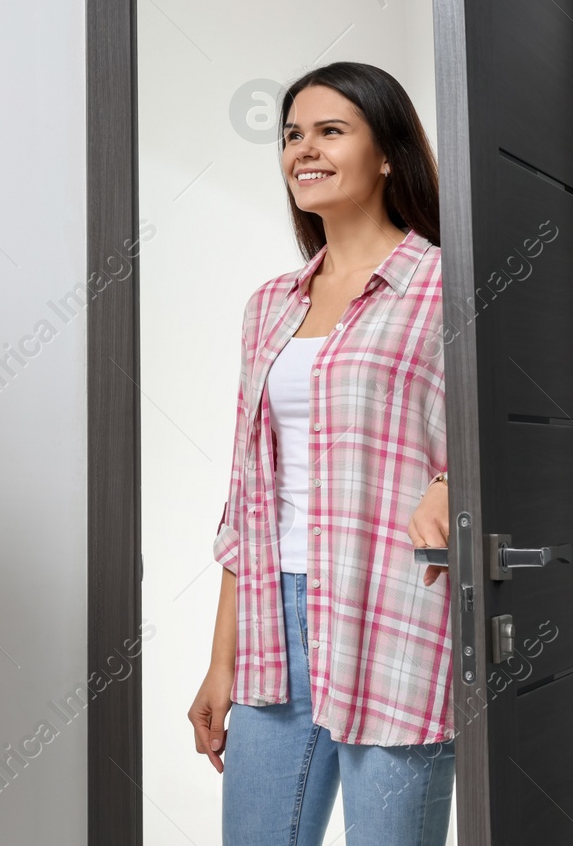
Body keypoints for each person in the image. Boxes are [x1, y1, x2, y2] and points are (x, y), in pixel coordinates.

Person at [187, 62, 455, 845]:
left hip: (396, 614)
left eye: (331, 130)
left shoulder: (447, 284)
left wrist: (451, 477)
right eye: (293, 134)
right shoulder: (270, 304)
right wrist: (219, 660)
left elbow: (517, 433)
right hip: (277, 623)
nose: (304, 149)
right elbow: (247, 497)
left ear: (387, 155)